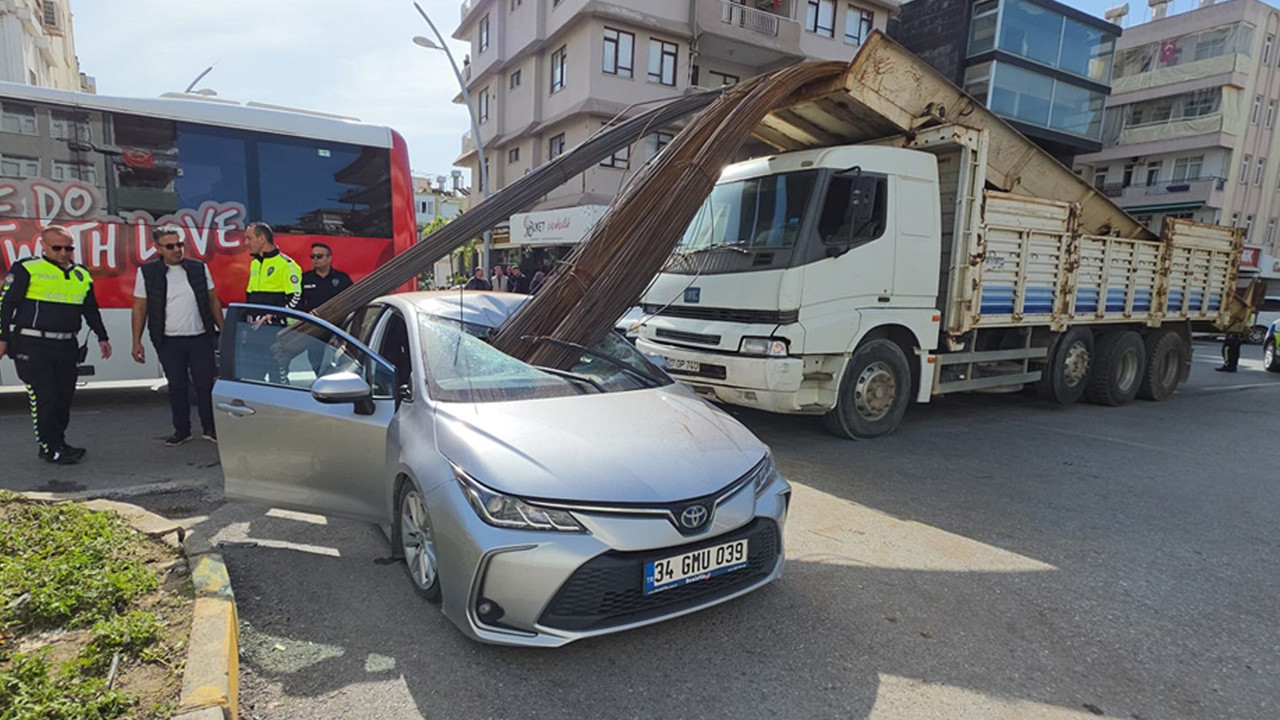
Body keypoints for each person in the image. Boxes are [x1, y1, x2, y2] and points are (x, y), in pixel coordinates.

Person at [0, 226, 111, 464]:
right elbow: (6, 305)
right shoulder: (26, 268)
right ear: (44, 246)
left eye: (68, 248)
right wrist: (3, 338)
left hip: (66, 345)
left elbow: (90, 309)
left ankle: (59, 442)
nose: (63, 252)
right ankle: (48, 448)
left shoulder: (81, 273)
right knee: (45, 397)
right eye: (57, 247)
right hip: (32, 344)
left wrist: (102, 336)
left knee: (63, 398)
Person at [131, 225, 224, 446]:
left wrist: (223, 329)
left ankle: (210, 428)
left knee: (205, 385)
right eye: (170, 246)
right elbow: (140, 307)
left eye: (180, 244)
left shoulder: (198, 268)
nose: (177, 250)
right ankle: (182, 430)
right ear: (158, 248)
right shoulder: (147, 272)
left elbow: (213, 300)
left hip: (201, 337)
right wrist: (137, 341)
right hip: (168, 340)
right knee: (177, 386)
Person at [241, 222, 302, 382]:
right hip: (255, 335)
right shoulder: (255, 264)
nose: (246, 243)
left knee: (279, 382)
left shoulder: (287, 265)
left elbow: (296, 299)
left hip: (276, 335)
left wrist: (272, 316)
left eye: (249, 238)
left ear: (261, 239)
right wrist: (245, 327)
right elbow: (250, 298)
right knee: (252, 380)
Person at [301, 242, 353, 313]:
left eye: (319, 256)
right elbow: (298, 302)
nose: (315, 259)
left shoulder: (342, 278)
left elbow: (351, 300)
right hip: (313, 321)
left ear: (329, 258)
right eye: (312, 256)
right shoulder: (304, 278)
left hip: (337, 320)